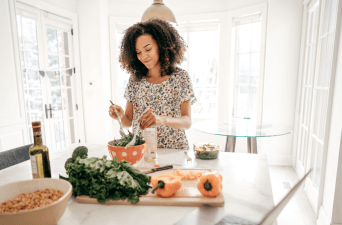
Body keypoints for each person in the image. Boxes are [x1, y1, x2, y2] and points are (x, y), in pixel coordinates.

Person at [109, 19, 196, 150]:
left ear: (161, 46)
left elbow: (187, 122)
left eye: (148, 49)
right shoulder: (135, 80)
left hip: (174, 151)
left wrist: (162, 119)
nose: (143, 56)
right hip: (142, 151)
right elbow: (129, 122)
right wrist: (120, 116)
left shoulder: (181, 77)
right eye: (138, 52)